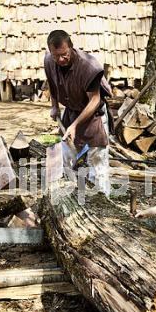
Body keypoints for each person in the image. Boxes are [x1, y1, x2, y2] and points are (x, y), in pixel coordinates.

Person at [44, 30, 112, 196]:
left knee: (97, 165)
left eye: (64, 54)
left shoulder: (88, 66)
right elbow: (52, 84)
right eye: (56, 55)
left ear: (71, 48)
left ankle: (103, 203)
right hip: (71, 113)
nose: (60, 59)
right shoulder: (49, 61)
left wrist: (74, 126)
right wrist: (54, 106)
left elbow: (94, 100)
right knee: (67, 159)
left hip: (94, 117)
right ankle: (74, 198)